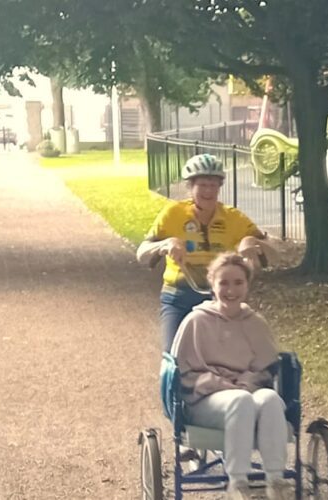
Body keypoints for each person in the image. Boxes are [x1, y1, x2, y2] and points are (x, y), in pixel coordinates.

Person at [171, 253, 288, 500]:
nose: (231, 290)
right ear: (212, 284)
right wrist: (221, 384)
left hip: (248, 391)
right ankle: (238, 482)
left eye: (238, 282)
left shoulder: (256, 322)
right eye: (224, 283)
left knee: (270, 399)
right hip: (206, 399)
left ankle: (275, 480)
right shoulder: (196, 321)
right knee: (240, 401)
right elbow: (184, 373)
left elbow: (265, 369)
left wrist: (247, 382)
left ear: (247, 285)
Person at [136, 153, 273, 352]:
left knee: (228, 357)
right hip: (178, 297)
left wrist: (252, 242)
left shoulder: (233, 218)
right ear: (191, 187)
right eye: (202, 185)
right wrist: (165, 244)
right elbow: (142, 254)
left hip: (221, 298)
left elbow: (276, 251)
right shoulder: (173, 214)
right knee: (173, 358)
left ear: (219, 187)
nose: (208, 191)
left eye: (213, 185)